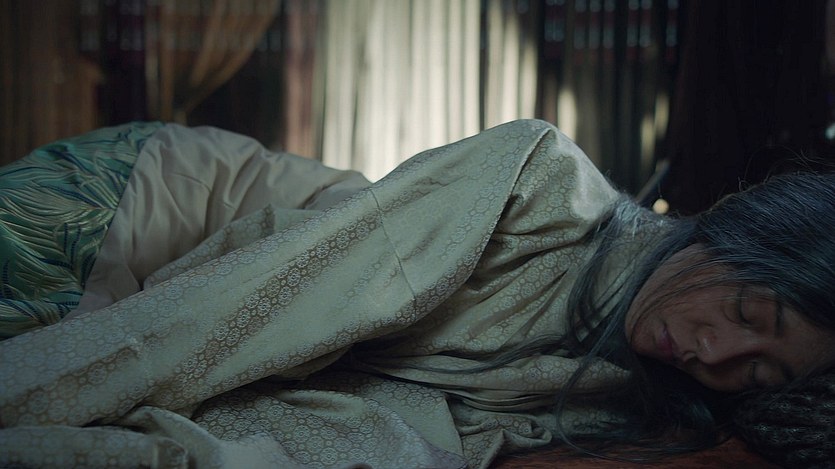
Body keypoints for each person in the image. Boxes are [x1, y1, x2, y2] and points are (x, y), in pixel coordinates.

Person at [0, 119, 832, 468]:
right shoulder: (534, 181)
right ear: (732, 232)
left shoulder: (620, 394)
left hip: (239, 306)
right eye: (745, 311)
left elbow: (378, 427)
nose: (715, 351)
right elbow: (227, 313)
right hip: (161, 204)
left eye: (757, 371)